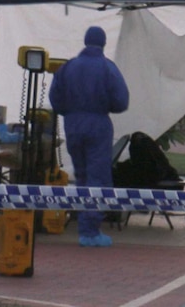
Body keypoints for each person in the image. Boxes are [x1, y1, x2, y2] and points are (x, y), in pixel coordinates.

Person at [49, 25, 130, 247]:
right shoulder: (107, 68)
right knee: (98, 177)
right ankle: (90, 231)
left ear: (85, 41)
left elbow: (55, 97)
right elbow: (121, 100)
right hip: (97, 124)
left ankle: (84, 225)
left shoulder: (68, 67)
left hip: (73, 124)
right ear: (103, 43)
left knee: (82, 176)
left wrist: (70, 112)